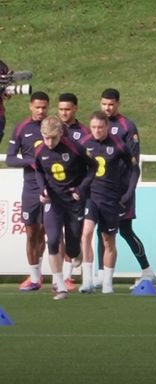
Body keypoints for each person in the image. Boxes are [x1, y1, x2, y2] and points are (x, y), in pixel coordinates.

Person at [99, 88, 156, 289]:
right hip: (102, 189)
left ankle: (147, 271)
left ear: (118, 104)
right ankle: (101, 275)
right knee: (101, 230)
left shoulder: (126, 126)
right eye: (105, 104)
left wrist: (129, 191)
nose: (108, 107)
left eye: (111, 104)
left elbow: (134, 163)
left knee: (124, 230)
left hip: (122, 189)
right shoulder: (97, 126)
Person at [33, 116, 96, 300]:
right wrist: (42, 189)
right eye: (46, 138)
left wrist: (81, 189)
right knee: (52, 239)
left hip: (74, 201)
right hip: (53, 201)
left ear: (61, 133)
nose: (49, 142)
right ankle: (60, 285)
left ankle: (75, 254)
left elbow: (93, 166)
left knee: (72, 248)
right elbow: (38, 170)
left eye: (53, 138)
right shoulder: (39, 150)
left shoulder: (75, 147)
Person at [78, 111, 140, 294]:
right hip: (90, 197)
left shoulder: (118, 145)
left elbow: (134, 169)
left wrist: (129, 193)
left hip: (110, 199)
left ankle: (107, 282)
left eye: (100, 127)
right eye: (94, 127)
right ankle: (87, 280)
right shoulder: (84, 144)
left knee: (108, 240)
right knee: (86, 233)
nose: (96, 131)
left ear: (107, 127)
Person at [5, 91, 49, 291]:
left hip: (51, 187)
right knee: (31, 231)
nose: (41, 111)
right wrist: (31, 161)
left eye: (44, 107)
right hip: (31, 187)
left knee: (46, 231)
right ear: (30, 106)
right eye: (37, 107)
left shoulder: (53, 127)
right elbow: (10, 158)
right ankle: (34, 277)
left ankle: (39, 275)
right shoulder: (22, 128)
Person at [57, 92, 89, 291]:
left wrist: (81, 187)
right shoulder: (52, 129)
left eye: (67, 109)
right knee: (53, 235)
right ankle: (61, 278)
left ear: (76, 108)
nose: (64, 113)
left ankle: (75, 264)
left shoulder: (84, 132)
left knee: (73, 236)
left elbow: (89, 163)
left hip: (76, 192)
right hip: (55, 191)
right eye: (60, 109)